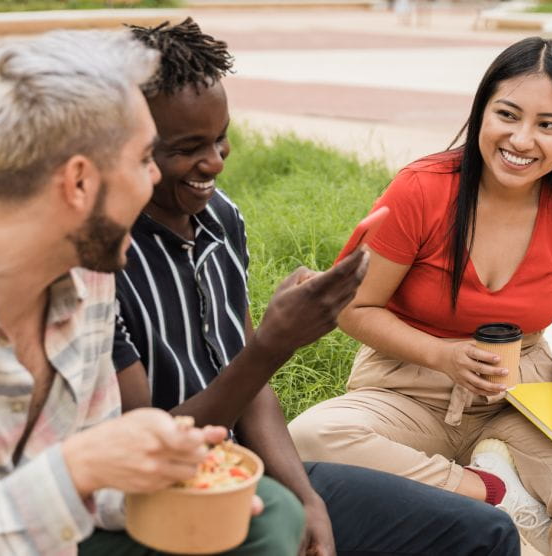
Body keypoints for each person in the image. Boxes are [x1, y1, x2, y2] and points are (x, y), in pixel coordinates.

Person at [105, 18, 521, 556]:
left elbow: (250, 389)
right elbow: (143, 450)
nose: (213, 162)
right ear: (128, 142)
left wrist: (306, 495)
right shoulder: (101, 259)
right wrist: (274, 346)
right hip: (162, 503)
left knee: (485, 535)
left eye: (221, 137)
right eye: (187, 148)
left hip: (247, 471)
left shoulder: (220, 218)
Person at [288, 37, 552, 555]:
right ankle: (489, 491)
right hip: (408, 388)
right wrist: (442, 354)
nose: (521, 139)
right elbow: (353, 307)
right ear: (482, 112)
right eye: (507, 115)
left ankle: (495, 473)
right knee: (309, 437)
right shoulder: (421, 189)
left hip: (520, 394)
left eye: (548, 125)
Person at [0, 30, 244, 554]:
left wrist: (170, 472)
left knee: (265, 522)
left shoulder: (88, 279)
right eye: (143, 160)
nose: (154, 177)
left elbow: (96, 484)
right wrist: (77, 469)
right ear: (79, 183)